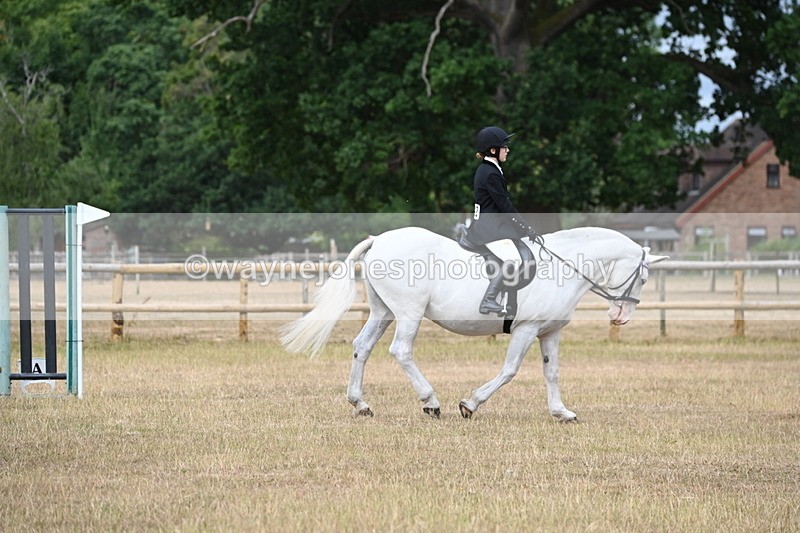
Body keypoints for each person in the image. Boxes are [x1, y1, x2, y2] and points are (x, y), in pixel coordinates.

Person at [466, 126, 535, 315]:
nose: (508, 150)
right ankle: (488, 300)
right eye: (504, 147)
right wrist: (524, 226)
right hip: (489, 229)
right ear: (493, 150)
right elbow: (503, 204)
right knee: (512, 259)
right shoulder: (490, 173)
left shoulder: (490, 169)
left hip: (492, 226)